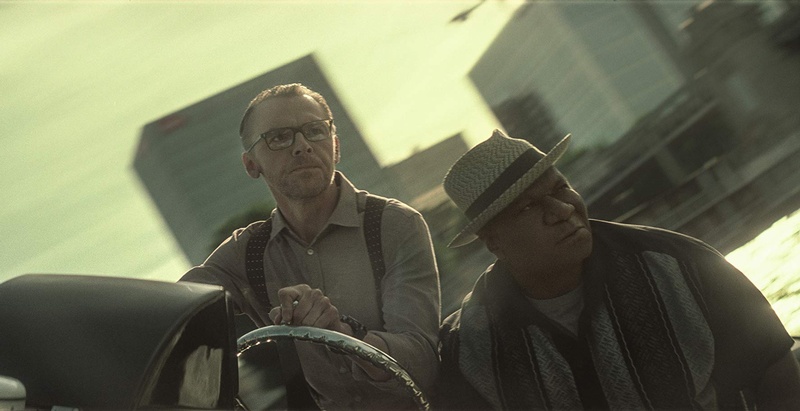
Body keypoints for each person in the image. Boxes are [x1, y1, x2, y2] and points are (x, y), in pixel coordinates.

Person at [435, 129, 800, 410]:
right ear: (493, 242)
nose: (562, 210)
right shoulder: (468, 349)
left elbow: (777, 373)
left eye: (561, 188)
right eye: (528, 208)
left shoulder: (681, 266)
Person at [180, 83, 440, 409]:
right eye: (279, 137)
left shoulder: (394, 224)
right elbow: (171, 313)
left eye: (315, 130)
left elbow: (422, 365)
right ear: (251, 165)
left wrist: (343, 333)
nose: (302, 146)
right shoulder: (246, 254)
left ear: (335, 145)